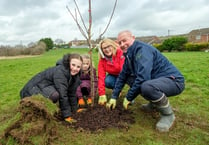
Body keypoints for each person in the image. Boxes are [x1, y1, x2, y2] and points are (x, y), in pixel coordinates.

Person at [106, 30, 185, 132]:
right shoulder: (129, 55)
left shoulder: (142, 50)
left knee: (146, 86)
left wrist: (129, 97)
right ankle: (154, 104)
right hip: (157, 80)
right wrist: (114, 97)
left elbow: (143, 77)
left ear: (133, 38)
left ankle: (168, 115)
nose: (122, 44)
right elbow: (122, 76)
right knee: (131, 79)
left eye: (124, 40)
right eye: (120, 42)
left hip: (174, 81)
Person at [20, 53, 83, 123]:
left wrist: (75, 109)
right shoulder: (61, 72)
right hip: (32, 89)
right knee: (55, 95)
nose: (75, 68)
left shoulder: (75, 75)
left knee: (57, 93)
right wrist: (67, 116)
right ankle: (39, 112)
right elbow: (63, 94)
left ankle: (44, 110)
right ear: (68, 63)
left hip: (45, 86)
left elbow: (71, 93)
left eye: (78, 67)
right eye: (73, 65)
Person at [97, 38, 125, 105]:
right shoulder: (102, 61)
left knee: (129, 80)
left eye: (108, 46)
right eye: (104, 48)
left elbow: (123, 72)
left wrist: (114, 95)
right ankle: (118, 90)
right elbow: (101, 77)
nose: (107, 49)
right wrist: (102, 94)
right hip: (113, 75)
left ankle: (130, 96)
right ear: (102, 50)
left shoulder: (120, 53)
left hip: (125, 74)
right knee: (107, 81)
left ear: (112, 46)